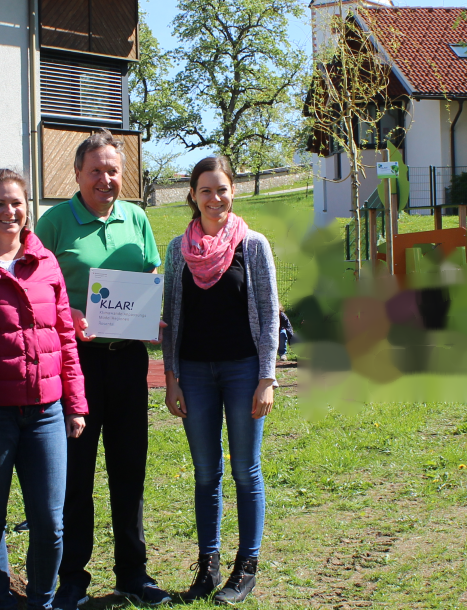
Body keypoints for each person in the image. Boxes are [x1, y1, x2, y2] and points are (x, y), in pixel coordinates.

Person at [35, 130, 166, 608]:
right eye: (96, 171)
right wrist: (65, 315)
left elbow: (151, 273)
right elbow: (33, 292)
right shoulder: (53, 224)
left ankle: (134, 573)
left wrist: (151, 309)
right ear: (76, 175)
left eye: (113, 170)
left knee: (130, 470)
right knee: (77, 475)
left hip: (129, 360)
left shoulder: (137, 217)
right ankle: (73, 577)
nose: (106, 179)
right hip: (77, 365)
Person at [0, 169, 89, 610]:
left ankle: (41, 602)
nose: (9, 211)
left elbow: (65, 333)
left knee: (50, 523)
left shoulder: (44, 261)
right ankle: (0, 601)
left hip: (47, 412)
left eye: (17, 202)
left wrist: (75, 403)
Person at [162, 157, 279, 605]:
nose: (215, 199)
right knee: (206, 473)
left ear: (234, 192)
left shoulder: (253, 245)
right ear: (192, 194)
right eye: (206, 190)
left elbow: (269, 316)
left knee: (246, 472)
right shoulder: (178, 250)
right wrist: (172, 378)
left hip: (243, 371)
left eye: (222, 189)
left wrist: (266, 377)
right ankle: (207, 566)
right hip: (193, 373)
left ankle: (246, 566)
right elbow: (172, 317)